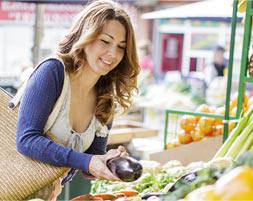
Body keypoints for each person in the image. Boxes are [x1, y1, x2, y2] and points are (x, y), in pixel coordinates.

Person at [15, 0, 140, 200]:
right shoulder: (53, 72)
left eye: (121, 47)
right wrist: (86, 160)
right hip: (9, 188)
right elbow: (26, 140)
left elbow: (89, 163)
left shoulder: (106, 98)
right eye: (105, 41)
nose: (113, 54)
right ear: (86, 37)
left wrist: (108, 161)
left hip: (45, 196)